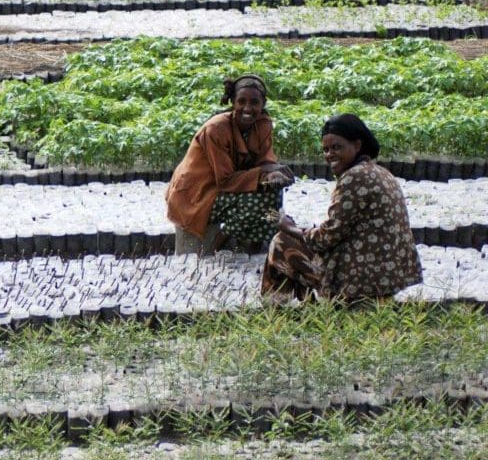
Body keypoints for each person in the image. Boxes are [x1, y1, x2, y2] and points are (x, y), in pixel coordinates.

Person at [262, 114, 422, 302]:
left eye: (337, 147)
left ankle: (276, 307)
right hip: (389, 275)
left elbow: (325, 239)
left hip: (363, 279)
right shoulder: (379, 172)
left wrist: (289, 227)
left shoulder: (353, 178)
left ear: (357, 145)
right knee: (297, 243)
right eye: (326, 150)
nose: (330, 155)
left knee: (281, 242)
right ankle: (305, 306)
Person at [166, 74, 295, 253]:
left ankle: (254, 248)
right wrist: (264, 171)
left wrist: (272, 174)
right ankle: (220, 242)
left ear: (263, 103)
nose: (247, 108)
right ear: (233, 103)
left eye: (254, 102)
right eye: (241, 101)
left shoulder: (262, 125)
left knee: (272, 193)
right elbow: (225, 180)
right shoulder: (216, 129)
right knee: (255, 203)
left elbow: (265, 160)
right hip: (197, 193)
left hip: (225, 187)